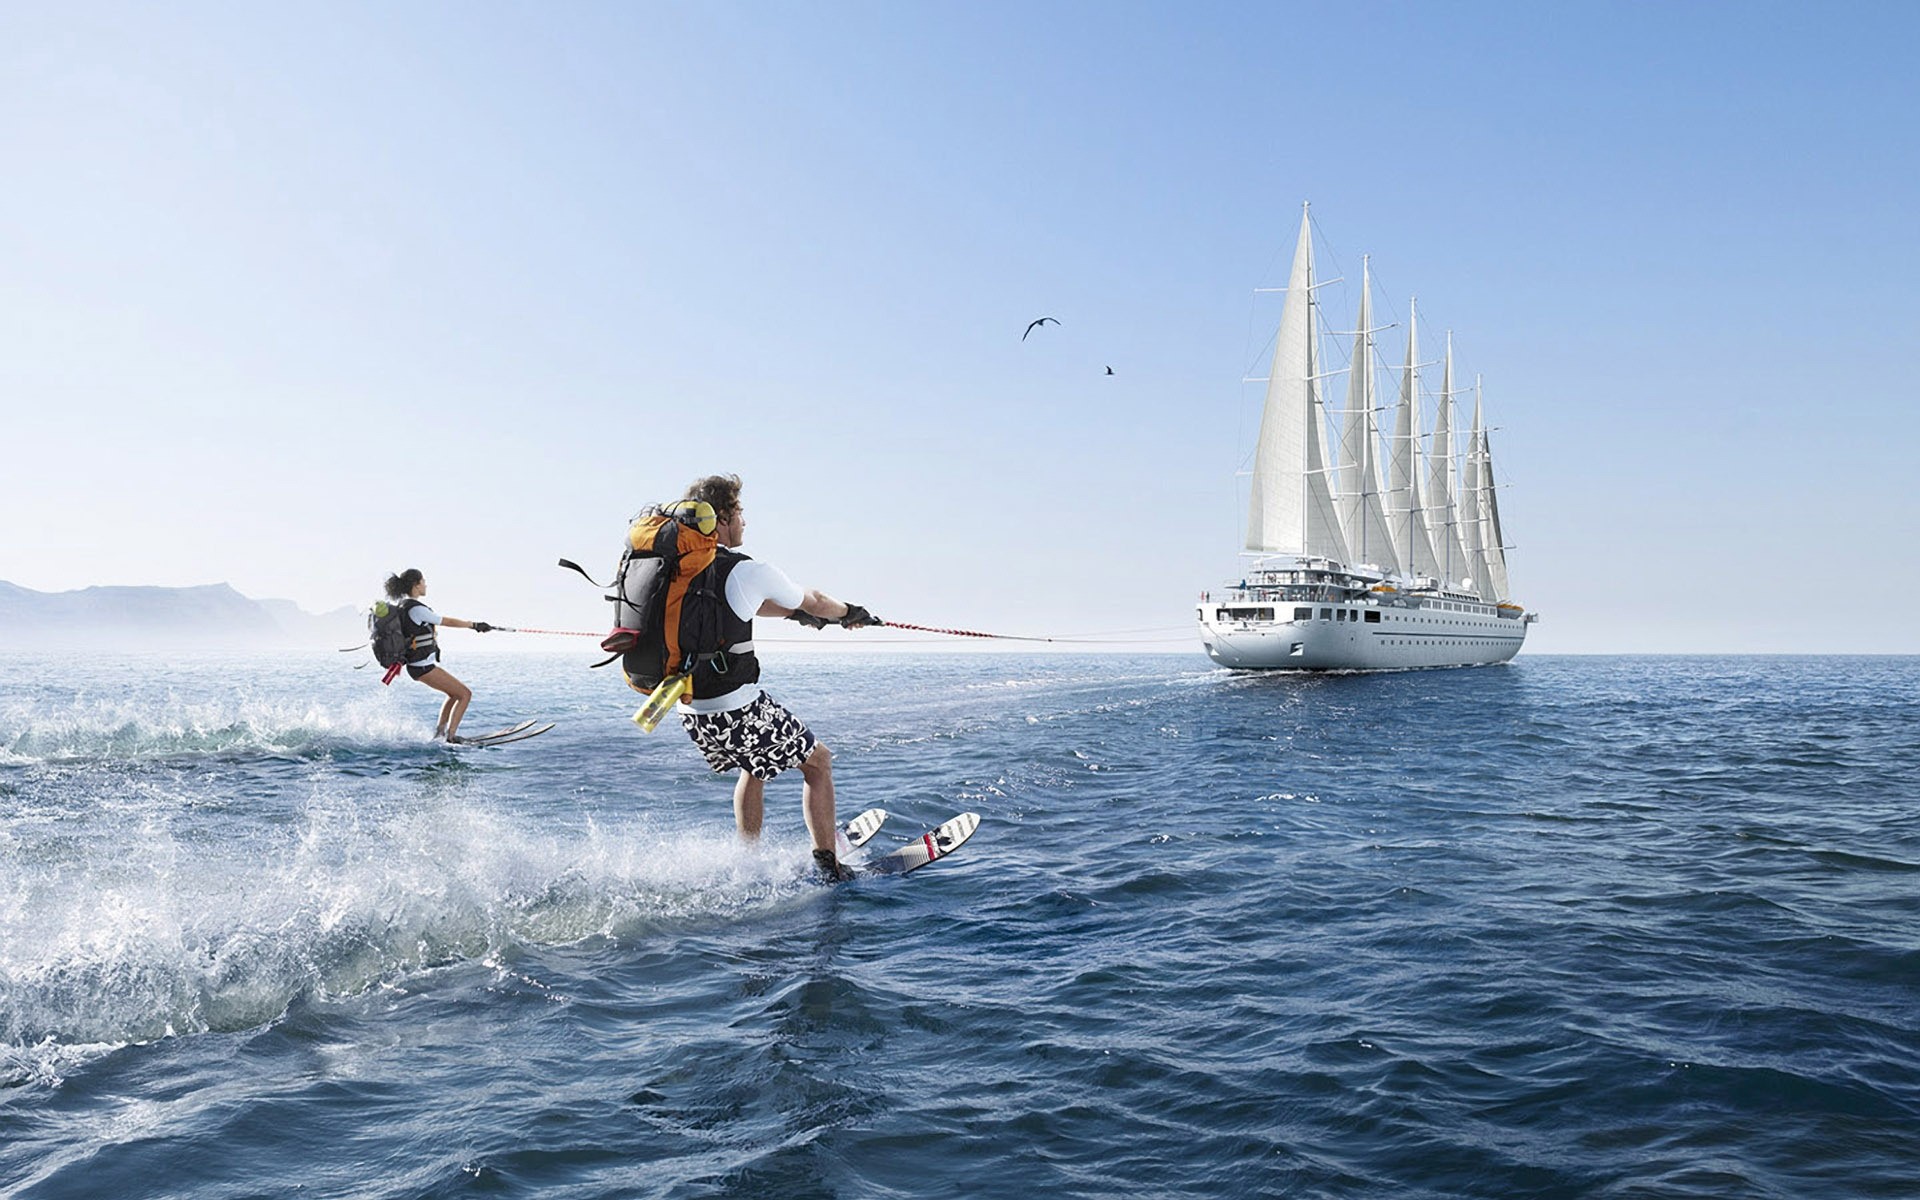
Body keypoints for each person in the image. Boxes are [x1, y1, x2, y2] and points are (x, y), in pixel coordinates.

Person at [671, 474, 882, 881]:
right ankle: (829, 867)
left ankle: (748, 861)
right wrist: (849, 612)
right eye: (740, 513)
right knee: (819, 763)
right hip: (734, 708)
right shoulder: (745, 569)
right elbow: (817, 600)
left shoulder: (684, 571)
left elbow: (744, 607)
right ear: (724, 518)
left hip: (691, 707)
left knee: (755, 764)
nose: (745, 522)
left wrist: (802, 616)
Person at [382, 569, 495, 742]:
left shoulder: (404, 606)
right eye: (423, 581)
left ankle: (440, 734)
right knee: (465, 694)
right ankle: (451, 736)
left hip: (419, 665)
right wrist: (474, 625)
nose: (425, 585)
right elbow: (445, 621)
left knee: (453, 695)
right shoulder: (415, 609)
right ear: (416, 585)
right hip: (422, 666)